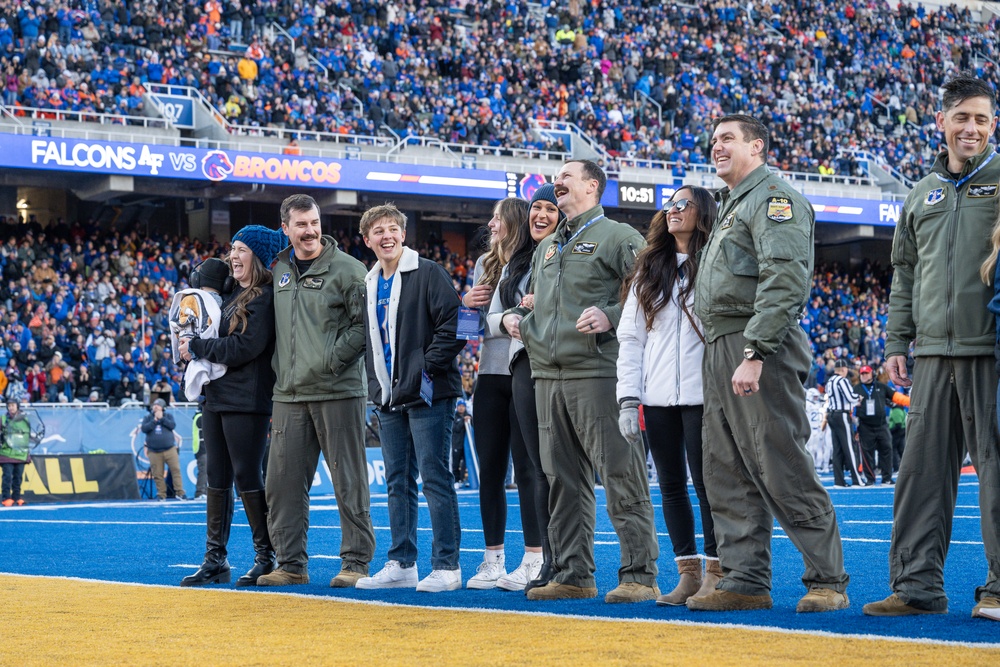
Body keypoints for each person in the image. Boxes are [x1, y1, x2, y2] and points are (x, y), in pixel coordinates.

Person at [689, 114, 849, 613]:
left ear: (756, 146)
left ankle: (827, 580)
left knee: (779, 461)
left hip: (756, 344)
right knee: (725, 469)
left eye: (728, 139)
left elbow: (784, 280)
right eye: (714, 140)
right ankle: (745, 581)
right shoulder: (730, 204)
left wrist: (755, 352)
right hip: (720, 347)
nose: (717, 147)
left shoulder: (775, 199)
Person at [865, 74, 1000, 621]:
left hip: (990, 349)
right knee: (919, 472)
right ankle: (917, 586)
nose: (972, 128)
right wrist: (898, 339)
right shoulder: (922, 192)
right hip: (931, 356)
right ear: (941, 121)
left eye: (982, 119)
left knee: (995, 469)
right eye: (962, 117)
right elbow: (904, 271)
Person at [502, 160, 660, 603]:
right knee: (561, 480)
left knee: (620, 473)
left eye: (567, 175)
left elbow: (651, 292)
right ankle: (573, 575)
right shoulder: (547, 245)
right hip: (546, 376)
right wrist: (523, 322)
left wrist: (610, 315)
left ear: (592, 186)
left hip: (597, 373)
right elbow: (544, 306)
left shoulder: (620, 237)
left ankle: (639, 574)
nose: (558, 181)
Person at [257, 195, 376, 588]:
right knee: (281, 484)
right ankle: (291, 565)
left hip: (337, 390)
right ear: (285, 229)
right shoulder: (277, 270)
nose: (310, 231)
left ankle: (356, 563)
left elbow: (365, 326)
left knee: (349, 482)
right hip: (288, 394)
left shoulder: (349, 269)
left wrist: (330, 359)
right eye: (301, 224)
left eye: (314, 222)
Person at [616, 185, 719, 606]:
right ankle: (688, 573)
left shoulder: (716, 259)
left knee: (708, 486)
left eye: (683, 205)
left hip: (702, 395)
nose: (673, 211)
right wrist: (628, 399)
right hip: (657, 397)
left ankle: (717, 570)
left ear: (703, 212)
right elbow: (631, 336)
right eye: (670, 206)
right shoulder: (650, 267)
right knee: (672, 486)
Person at [356, 203, 466, 593]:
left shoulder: (428, 272)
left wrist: (425, 372)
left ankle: (447, 565)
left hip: (428, 393)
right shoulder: (369, 283)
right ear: (367, 240)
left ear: (403, 234)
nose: (386, 236)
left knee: (435, 478)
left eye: (392, 229)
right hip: (388, 397)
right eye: (378, 231)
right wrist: (376, 385)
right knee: (398, 481)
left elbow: (458, 323)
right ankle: (402, 562)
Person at [179, 225, 281, 587]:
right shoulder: (231, 295)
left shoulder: (264, 297)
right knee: (216, 479)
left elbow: (244, 348)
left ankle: (266, 557)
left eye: (241, 249)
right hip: (217, 396)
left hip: (248, 399)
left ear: (259, 256)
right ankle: (215, 560)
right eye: (232, 249)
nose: (233, 256)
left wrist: (196, 349)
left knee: (247, 476)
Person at [462, 197, 542, 591]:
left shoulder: (539, 260)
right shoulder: (483, 265)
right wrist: (465, 305)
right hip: (489, 374)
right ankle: (492, 559)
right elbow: (470, 328)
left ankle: (534, 557)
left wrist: (498, 318)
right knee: (490, 471)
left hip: (523, 370)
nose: (491, 224)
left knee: (526, 469)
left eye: (497, 218)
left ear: (513, 221)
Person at [485, 183, 562, 592]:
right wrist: (510, 319)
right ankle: (542, 560)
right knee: (532, 464)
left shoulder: (565, 252)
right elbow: (495, 317)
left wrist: (540, 303)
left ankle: (551, 559)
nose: (541, 215)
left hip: (558, 365)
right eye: (537, 207)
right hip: (521, 364)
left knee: (550, 467)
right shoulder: (516, 262)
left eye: (551, 208)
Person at [853, 365, 909, 486]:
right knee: (867, 453)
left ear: (872, 374)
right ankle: (870, 479)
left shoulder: (881, 387)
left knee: (887, 450)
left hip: (881, 425)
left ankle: (887, 478)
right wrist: (854, 428)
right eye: (862, 374)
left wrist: (912, 402)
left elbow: (896, 397)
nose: (864, 376)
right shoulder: (856, 389)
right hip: (865, 426)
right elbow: (850, 407)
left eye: (866, 373)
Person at [824, 359, 864, 487]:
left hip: (831, 414)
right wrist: (859, 397)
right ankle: (857, 479)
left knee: (837, 449)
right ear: (843, 369)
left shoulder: (830, 381)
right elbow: (850, 397)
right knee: (849, 448)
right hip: (841, 415)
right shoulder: (842, 380)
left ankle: (839, 481)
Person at [142, 398, 187, 501]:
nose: (155, 407)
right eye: (154, 405)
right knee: (157, 474)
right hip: (154, 450)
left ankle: (180, 492)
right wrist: (154, 421)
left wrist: (162, 419)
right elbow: (144, 429)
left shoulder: (168, 416)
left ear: (162, 408)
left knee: (176, 470)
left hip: (169, 449)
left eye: (158, 405)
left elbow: (172, 426)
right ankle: (161, 494)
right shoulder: (148, 417)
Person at [0, 397, 31, 506]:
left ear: (17, 406)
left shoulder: (25, 420)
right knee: (7, 476)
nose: (11, 407)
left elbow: (27, 437)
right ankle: (6, 497)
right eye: (9, 406)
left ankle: (17, 497)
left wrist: (28, 453)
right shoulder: (3, 419)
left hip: (21, 454)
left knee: (18, 477)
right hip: (6, 453)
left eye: (13, 405)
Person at [451, 399, 469, 488]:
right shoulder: (454, 417)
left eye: (463, 406)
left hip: (466, 446)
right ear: (457, 407)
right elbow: (456, 428)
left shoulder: (469, 416)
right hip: (457, 444)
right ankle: (456, 480)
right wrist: (463, 420)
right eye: (460, 406)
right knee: (456, 464)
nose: (461, 408)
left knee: (466, 464)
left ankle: (463, 479)